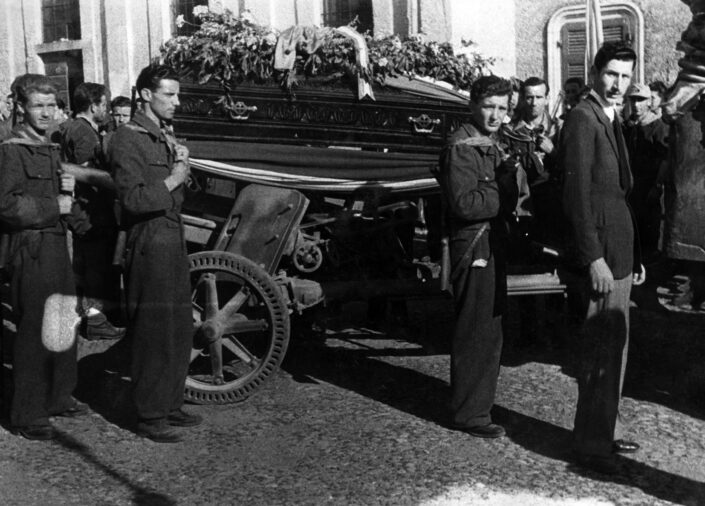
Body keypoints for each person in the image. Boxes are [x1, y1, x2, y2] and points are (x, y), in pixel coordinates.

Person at [560, 41, 646, 474]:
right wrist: (593, 257)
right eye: (611, 74)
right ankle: (590, 446)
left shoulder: (609, 117)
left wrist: (635, 252)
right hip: (602, 255)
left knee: (616, 349)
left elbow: (619, 192)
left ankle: (603, 433)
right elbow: (576, 196)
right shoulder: (582, 117)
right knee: (599, 351)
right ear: (595, 72)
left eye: (625, 77)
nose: (618, 84)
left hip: (621, 250)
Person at [109, 64, 201, 442]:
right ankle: (149, 414)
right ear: (146, 95)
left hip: (171, 235)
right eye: (169, 94)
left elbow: (175, 191)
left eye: (177, 94)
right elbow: (131, 200)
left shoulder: (162, 134)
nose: (176, 102)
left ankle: (171, 402)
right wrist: (175, 177)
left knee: (178, 325)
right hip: (147, 240)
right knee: (152, 330)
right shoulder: (126, 139)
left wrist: (184, 166)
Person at [0, 74, 89, 440]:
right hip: (30, 247)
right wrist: (55, 203)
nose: (47, 113)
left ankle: (57, 395)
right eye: (38, 105)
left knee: (64, 321)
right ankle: (27, 413)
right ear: (21, 107)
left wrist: (72, 202)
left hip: (55, 244)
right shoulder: (11, 149)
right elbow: (5, 205)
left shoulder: (49, 146)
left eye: (51, 105)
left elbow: (65, 204)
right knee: (36, 329)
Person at [436, 75, 518, 439]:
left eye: (502, 108)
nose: (496, 115)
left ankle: (477, 407)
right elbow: (465, 204)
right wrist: (500, 190)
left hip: (491, 241)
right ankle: (469, 414)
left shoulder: (489, 142)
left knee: (489, 329)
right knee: (475, 331)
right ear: (472, 105)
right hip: (474, 246)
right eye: (489, 106)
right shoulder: (462, 147)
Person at [61, 82, 125, 341]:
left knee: (87, 264)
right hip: (91, 211)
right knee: (97, 267)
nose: (108, 110)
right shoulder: (85, 133)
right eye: (104, 104)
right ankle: (96, 321)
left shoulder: (68, 127)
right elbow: (90, 174)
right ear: (93, 105)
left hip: (79, 210)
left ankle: (94, 316)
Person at [623, 83, 669, 261]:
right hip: (630, 191)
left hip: (648, 190)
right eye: (633, 100)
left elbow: (665, 158)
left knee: (648, 237)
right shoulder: (626, 127)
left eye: (641, 100)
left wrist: (657, 185)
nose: (636, 105)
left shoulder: (658, 127)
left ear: (649, 102)